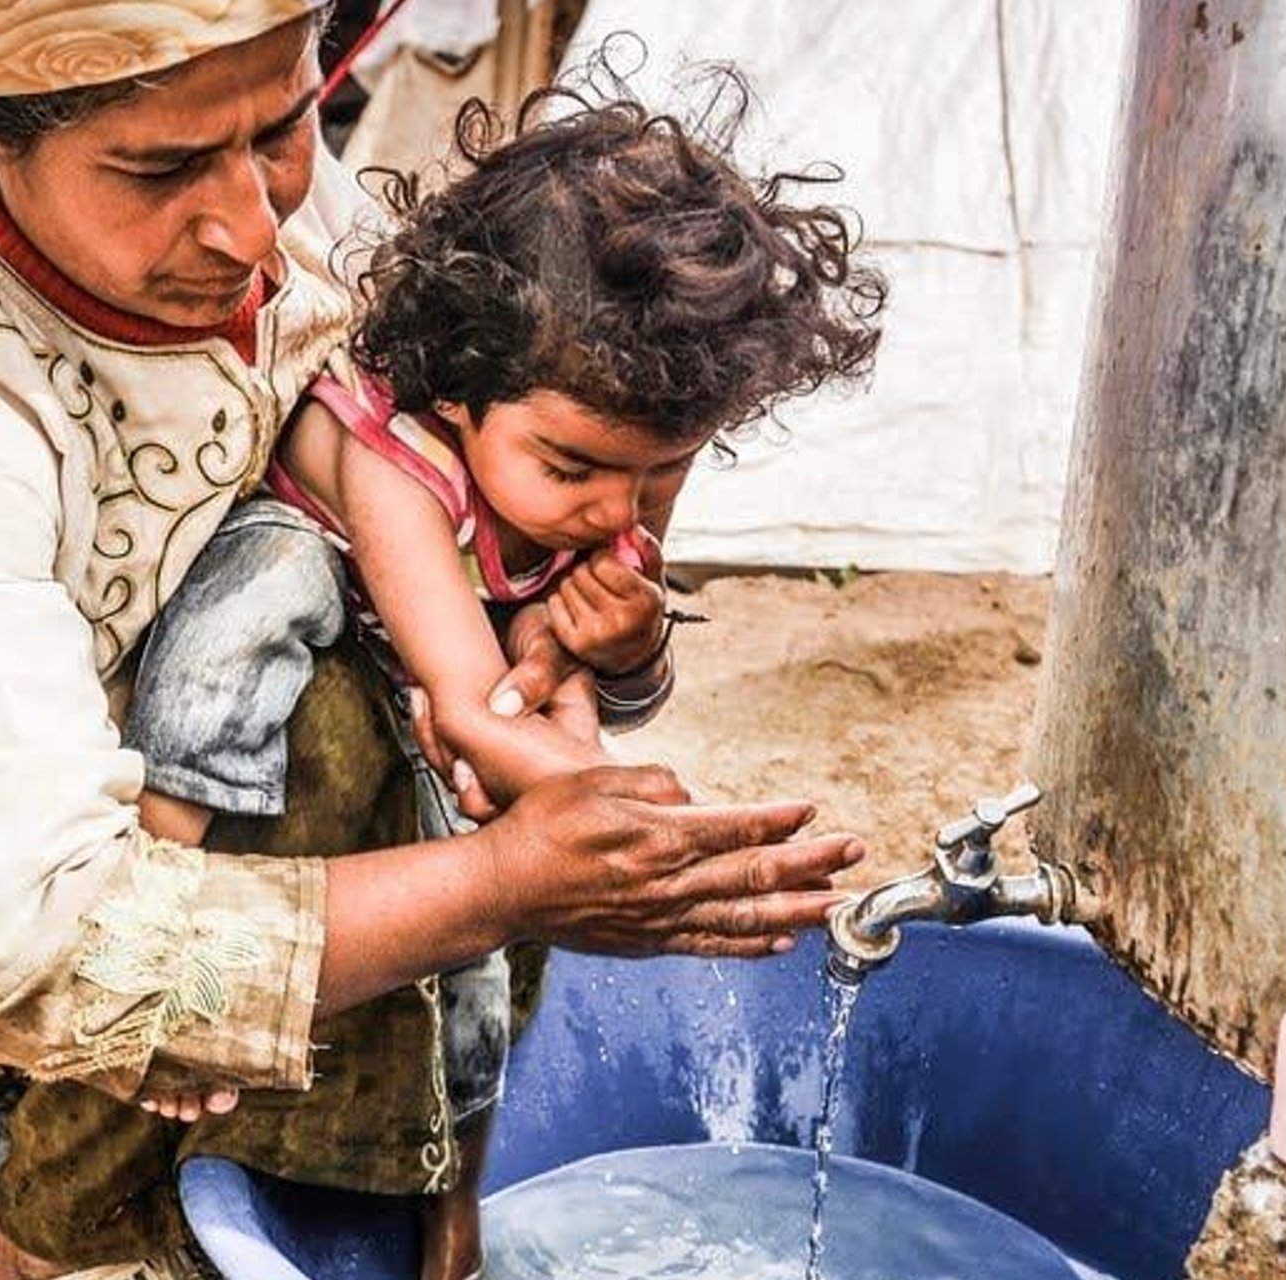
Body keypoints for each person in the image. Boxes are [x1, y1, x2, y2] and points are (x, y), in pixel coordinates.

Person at [0, 5, 864, 1280]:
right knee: (301, 709)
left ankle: (318, 1168)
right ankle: (44, 1238)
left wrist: (539, 654)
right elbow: (24, 932)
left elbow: (386, 439)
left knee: (318, 668)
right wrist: (505, 884)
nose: (250, 223)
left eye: (285, 126)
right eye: (158, 166)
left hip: (3, 779)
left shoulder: (252, 189)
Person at [126, 86, 884, 1276]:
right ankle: (157, 913)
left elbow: (567, 692)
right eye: (573, 467)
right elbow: (477, 700)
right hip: (319, 622)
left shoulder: (600, 474)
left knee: (506, 938)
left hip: (442, 679)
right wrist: (658, 831)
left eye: (662, 474)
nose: (615, 512)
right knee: (240, 631)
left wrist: (622, 651)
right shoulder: (394, 455)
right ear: (458, 387)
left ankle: (455, 1211)